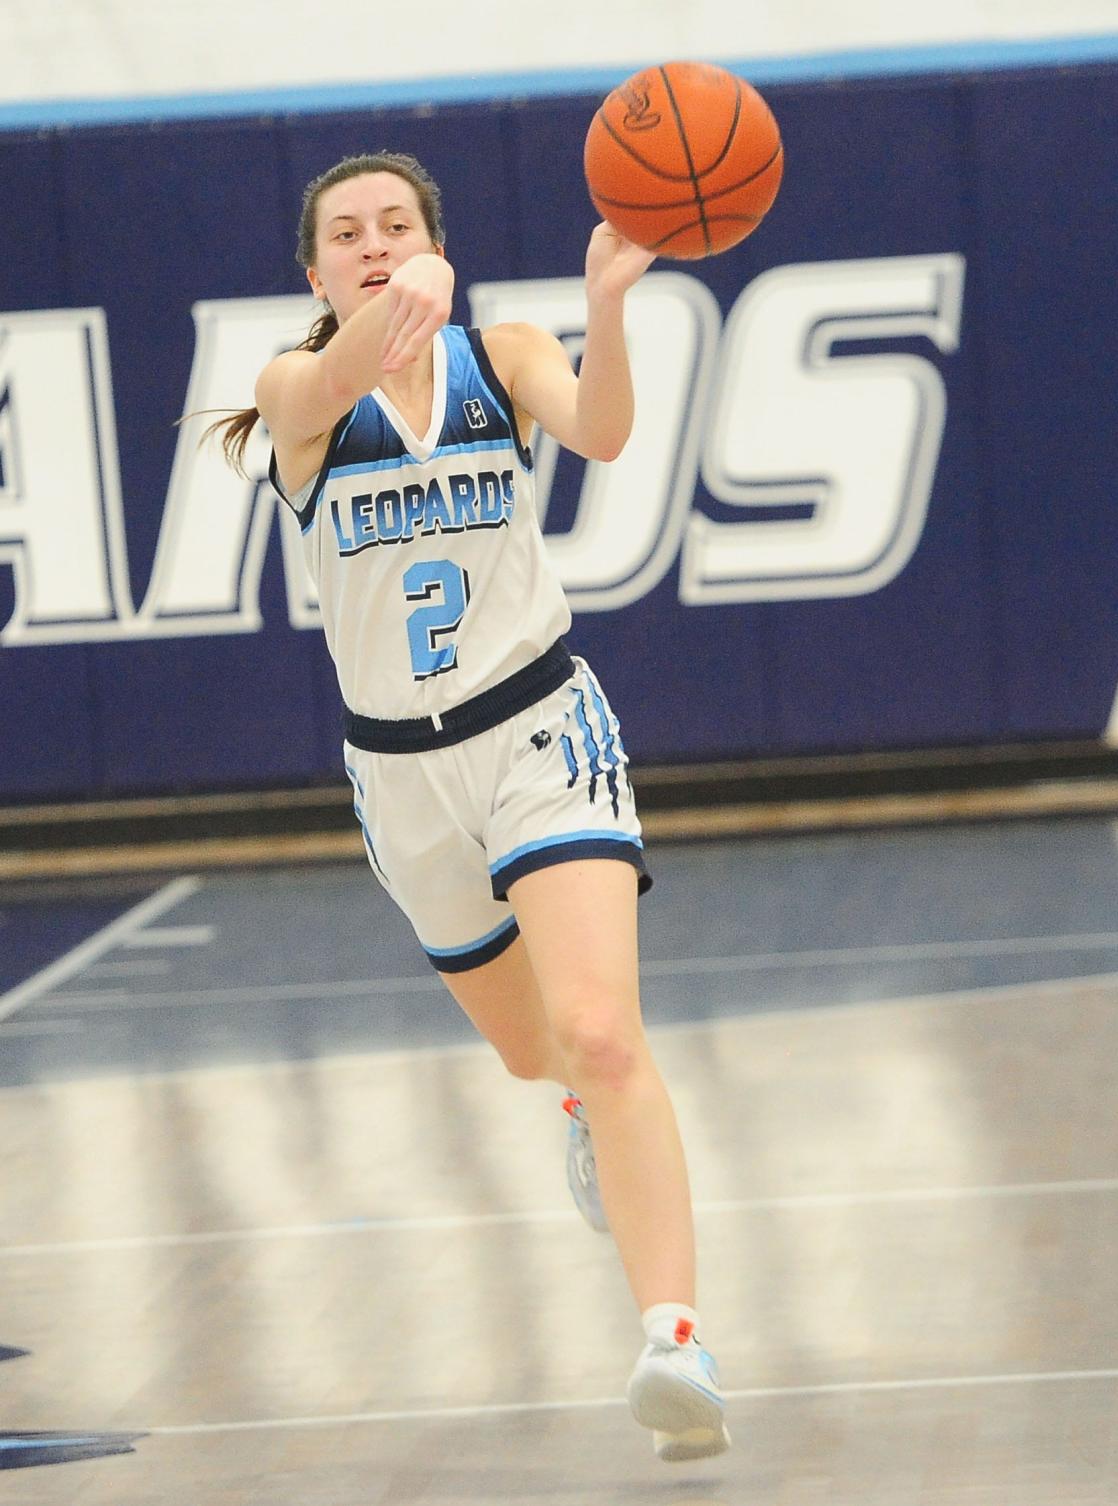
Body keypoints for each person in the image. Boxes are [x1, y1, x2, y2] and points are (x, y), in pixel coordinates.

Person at [210, 150, 728, 1463]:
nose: (375, 244)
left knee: (601, 1030)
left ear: (433, 236)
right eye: (348, 233)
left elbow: (604, 431)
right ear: (314, 270)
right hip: (400, 773)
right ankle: (574, 1112)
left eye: (398, 225)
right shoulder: (296, 392)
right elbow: (330, 377)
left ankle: (675, 1339)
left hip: (536, 728)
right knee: (532, 1054)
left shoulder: (499, 354)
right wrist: (401, 306)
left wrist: (606, 306)